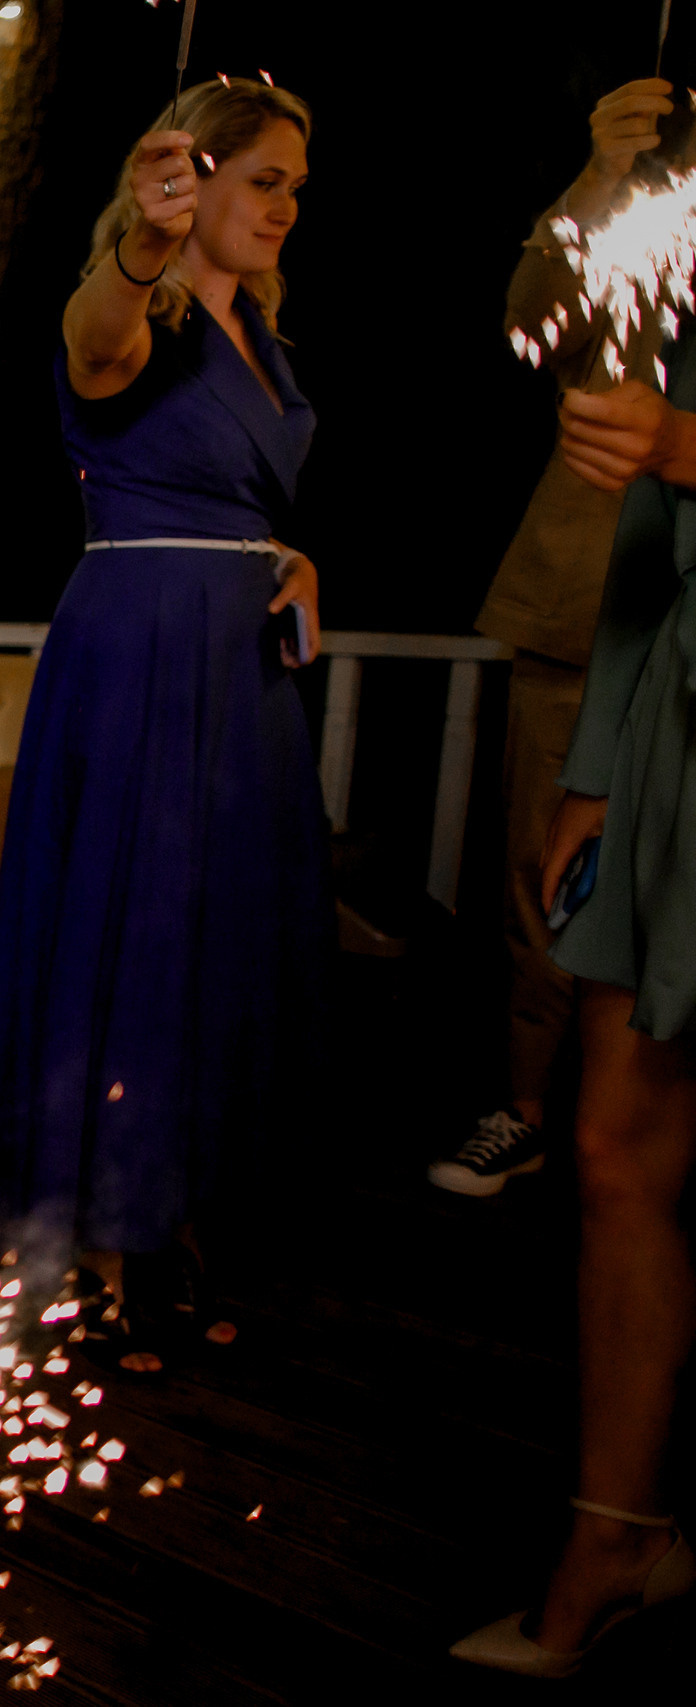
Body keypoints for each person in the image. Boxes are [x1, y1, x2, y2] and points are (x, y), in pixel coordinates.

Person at [0, 77, 325, 1373]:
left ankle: (168, 1211)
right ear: (194, 175)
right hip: (140, 657)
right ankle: (96, 1247)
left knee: (214, 940)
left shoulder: (264, 338)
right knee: (131, 933)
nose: (284, 206)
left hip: (242, 675)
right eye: (264, 178)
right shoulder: (142, 308)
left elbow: (241, 487)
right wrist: (138, 247)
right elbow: (94, 341)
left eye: (294, 188)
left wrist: (288, 556)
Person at [448, 248, 696, 1681]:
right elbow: (651, 543)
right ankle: (615, 1531)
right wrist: (598, 768)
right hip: (675, 730)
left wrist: (685, 442)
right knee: (613, 1141)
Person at [432, 79, 681, 1198]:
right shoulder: (647, 223)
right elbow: (529, 317)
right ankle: (529, 1109)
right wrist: (598, 176)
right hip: (583, 606)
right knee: (547, 876)